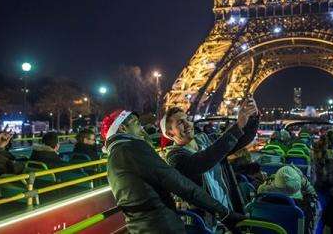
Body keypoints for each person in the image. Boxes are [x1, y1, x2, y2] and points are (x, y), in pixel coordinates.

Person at [103, 110, 245, 234]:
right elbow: (179, 183)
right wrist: (223, 212)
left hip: (142, 227)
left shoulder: (114, 156)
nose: (141, 128)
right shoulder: (133, 148)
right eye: (135, 123)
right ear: (122, 128)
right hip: (162, 226)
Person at [162, 98, 258, 227]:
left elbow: (238, 141)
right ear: (169, 133)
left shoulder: (205, 140)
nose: (187, 124)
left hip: (227, 208)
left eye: (187, 120)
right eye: (180, 122)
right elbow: (205, 159)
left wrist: (252, 117)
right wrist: (237, 126)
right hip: (206, 220)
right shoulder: (174, 157)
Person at [258, 165, 319, 234]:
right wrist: (303, 180)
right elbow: (313, 194)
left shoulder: (264, 198)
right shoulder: (299, 211)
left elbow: (261, 189)